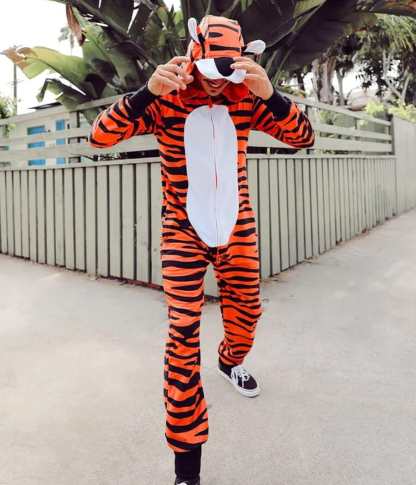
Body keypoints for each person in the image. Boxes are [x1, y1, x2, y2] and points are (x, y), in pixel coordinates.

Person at [89, 14, 315, 485]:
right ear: (194, 56)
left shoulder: (245, 100)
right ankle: (186, 468)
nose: (218, 82)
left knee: (247, 313)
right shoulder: (165, 99)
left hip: (238, 229)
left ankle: (230, 360)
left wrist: (270, 96)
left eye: (228, 70)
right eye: (212, 70)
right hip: (182, 232)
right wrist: (145, 93)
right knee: (182, 337)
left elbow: (303, 138)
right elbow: (100, 137)